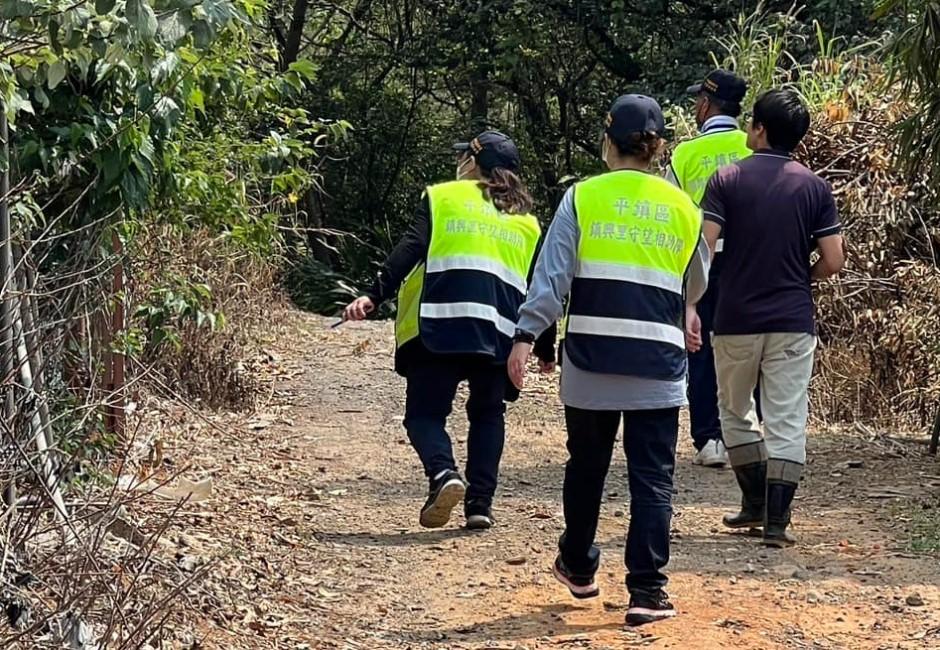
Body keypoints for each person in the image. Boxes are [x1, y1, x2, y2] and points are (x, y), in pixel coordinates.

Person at [508, 95, 710, 626]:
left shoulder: (582, 198)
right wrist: (685, 311)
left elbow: (552, 282)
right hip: (659, 364)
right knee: (652, 477)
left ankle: (578, 565)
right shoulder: (684, 208)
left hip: (592, 361)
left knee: (587, 466)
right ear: (660, 147)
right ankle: (647, 591)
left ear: (606, 143)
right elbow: (696, 283)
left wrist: (526, 335)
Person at [343, 131, 555, 531]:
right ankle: (480, 505)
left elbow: (411, 247)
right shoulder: (527, 222)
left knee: (424, 415)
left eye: (465, 157)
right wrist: (545, 346)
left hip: (440, 325)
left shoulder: (443, 198)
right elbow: (540, 285)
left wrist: (374, 294)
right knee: (488, 415)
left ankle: (443, 474)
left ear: (473, 163)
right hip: (498, 334)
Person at [693, 89, 844, 548]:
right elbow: (834, 259)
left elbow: (704, 246)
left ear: (758, 128)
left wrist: (691, 300)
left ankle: (753, 501)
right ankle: (777, 521)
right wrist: (804, 277)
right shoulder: (814, 187)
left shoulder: (727, 179)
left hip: (736, 315)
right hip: (793, 319)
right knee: (786, 417)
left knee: (734, 410)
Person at [667, 70, 753, 469]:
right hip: (752, 262)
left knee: (698, 349)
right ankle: (748, 434)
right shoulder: (755, 144)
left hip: (704, 261)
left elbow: (672, 216)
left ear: (704, 104)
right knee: (746, 348)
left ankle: (709, 439)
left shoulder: (685, 154)